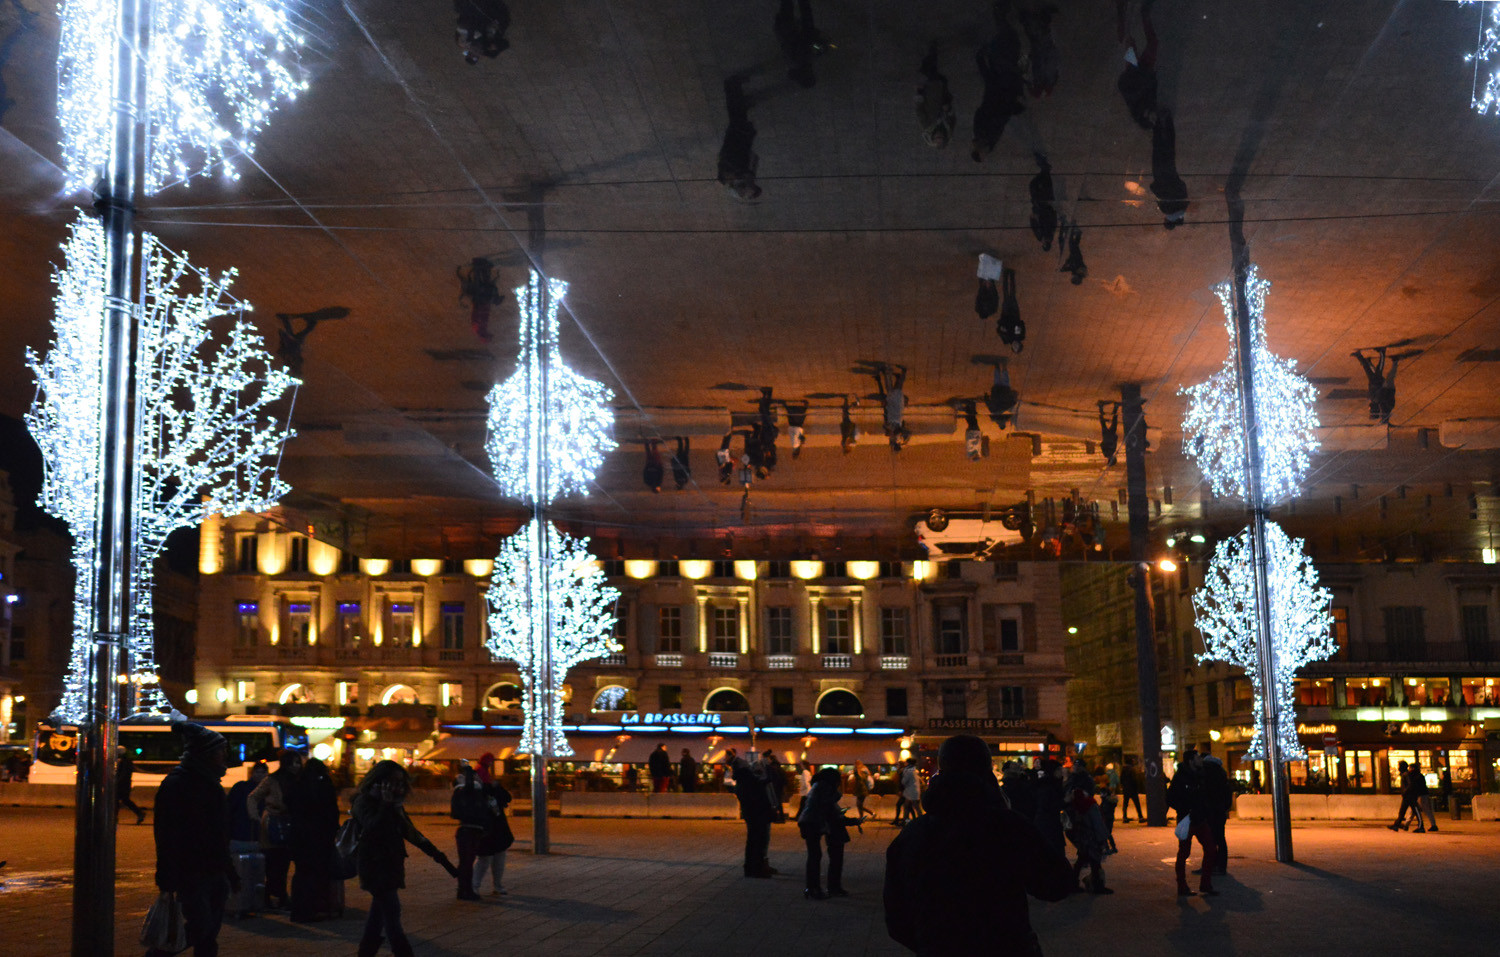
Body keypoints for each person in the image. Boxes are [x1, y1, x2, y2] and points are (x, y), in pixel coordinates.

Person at [884, 735, 1073, 956]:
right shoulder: (1007, 826)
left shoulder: (912, 835)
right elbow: (1057, 883)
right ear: (986, 769)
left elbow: (897, 919)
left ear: (942, 767)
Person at [146, 720, 239, 957]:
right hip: (191, 870)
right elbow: (166, 834)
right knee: (200, 926)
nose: (223, 756)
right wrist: (166, 874)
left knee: (209, 933)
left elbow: (220, 834)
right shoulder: (178, 784)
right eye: (220, 751)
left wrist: (228, 870)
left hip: (214, 869)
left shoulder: (211, 783)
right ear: (205, 753)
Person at [352, 761, 459, 957]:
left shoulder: (394, 806)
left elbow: (412, 834)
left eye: (401, 783)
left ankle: (365, 953)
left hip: (391, 867)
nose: (398, 787)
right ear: (380, 781)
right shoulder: (364, 802)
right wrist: (385, 805)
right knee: (392, 916)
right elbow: (372, 827)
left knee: (377, 917)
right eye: (393, 782)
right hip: (374, 868)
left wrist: (442, 860)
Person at [250, 747, 305, 910]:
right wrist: (256, 817)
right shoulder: (272, 780)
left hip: (289, 824)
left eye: (298, 763)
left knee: (284, 862)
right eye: (292, 763)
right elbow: (253, 797)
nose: (296, 766)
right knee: (271, 862)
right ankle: (271, 895)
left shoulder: (299, 780)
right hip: (272, 824)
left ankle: (279, 895)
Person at [286, 757, 340, 922]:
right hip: (320, 837)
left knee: (301, 873)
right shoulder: (325, 786)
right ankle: (314, 908)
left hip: (299, 837)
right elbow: (331, 812)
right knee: (317, 874)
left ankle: (298, 911)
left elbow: (289, 805)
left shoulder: (297, 785)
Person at [1166, 749, 1218, 897]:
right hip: (1186, 820)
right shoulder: (1180, 777)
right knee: (1184, 853)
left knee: (1211, 849)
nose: (1200, 760)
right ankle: (1182, 886)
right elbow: (1170, 798)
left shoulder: (1201, 775)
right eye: (1197, 757)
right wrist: (1185, 808)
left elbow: (1204, 796)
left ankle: (1206, 884)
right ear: (1191, 761)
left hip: (1200, 819)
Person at [800, 766, 858, 898]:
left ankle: (813, 888)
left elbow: (829, 808)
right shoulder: (824, 788)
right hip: (812, 822)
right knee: (815, 856)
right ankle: (814, 889)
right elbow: (829, 808)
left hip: (809, 821)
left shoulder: (818, 786)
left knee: (814, 856)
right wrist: (847, 820)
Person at [726, 747, 776, 877]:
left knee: (753, 841)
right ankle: (756, 868)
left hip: (751, 815)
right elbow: (764, 782)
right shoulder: (749, 783)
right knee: (757, 841)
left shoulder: (742, 784)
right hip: (757, 816)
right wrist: (767, 767)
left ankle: (752, 867)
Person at [1064, 762, 1112, 893]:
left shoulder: (1073, 803)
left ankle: (1074, 884)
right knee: (1093, 858)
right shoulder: (1088, 803)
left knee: (1084, 858)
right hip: (1089, 834)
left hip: (1080, 833)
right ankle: (1095, 885)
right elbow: (1097, 823)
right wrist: (1104, 838)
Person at [472, 753, 514, 895]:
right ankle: (489, 885)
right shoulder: (486, 789)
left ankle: (478, 886)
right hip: (493, 828)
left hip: (490, 828)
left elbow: (507, 798)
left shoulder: (483, 789)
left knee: (489, 858)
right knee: (490, 858)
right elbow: (507, 798)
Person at [451, 761, 490, 900]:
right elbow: (469, 787)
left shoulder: (471, 792)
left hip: (470, 830)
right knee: (467, 862)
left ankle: (464, 890)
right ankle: (465, 890)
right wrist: (468, 770)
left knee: (467, 862)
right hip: (469, 830)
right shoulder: (464, 791)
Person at [718, 77, 761, 201]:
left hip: (735, 140)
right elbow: (753, 157)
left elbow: (728, 158)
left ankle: (732, 87)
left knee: (736, 114)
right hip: (740, 139)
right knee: (738, 115)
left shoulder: (727, 177)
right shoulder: (746, 175)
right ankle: (734, 90)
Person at [1150, 108, 1188, 228]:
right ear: (1166, 221)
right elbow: (1159, 193)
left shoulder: (1184, 206)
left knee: (1170, 147)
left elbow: (1183, 187)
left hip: (1172, 173)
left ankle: (1168, 120)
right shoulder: (1165, 209)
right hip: (1160, 176)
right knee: (1158, 148)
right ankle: (1157, 122)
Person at [915, 41, 956, 148]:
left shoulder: (927, 126)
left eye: (937, 138)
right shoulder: (948, 128)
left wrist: (919, 93)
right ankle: (927, 63)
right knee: (940, 79)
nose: (939, 136)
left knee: (934, 77)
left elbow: (919, 110)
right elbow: (953, 118)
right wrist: (948, 110)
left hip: (931, 96)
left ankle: (932, 52)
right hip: (943, 97)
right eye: (941, 138)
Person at [871, 362, 909, 451]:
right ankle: (903, 371)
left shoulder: (893, 431)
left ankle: (889, 372)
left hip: (892, 406)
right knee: (897, 388)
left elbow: (887, 422)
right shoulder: (897, 433)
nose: (891, 439)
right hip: (896, 406)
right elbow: (900, 429)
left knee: (892, 388)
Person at [983, 360, 1019, 430]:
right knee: (997, 379)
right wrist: (986, 396)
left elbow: (1013, 402)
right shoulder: (993, 411)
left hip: (1005, 390)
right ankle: (997, 367)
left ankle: (1004, 366)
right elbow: (988, 403)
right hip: (996, 391)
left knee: (1005, 379)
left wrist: (1015, 395)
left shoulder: (1006, 410)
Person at [117, 745, 146, 825]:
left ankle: (139, 813)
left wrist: (117, 781)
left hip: (122, 785)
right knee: (124, 800)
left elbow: (123, 774)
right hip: (124, 784)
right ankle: (139, 813)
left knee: (120, 800)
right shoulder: (126, 761)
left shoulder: (124, 762)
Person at [898, 757, 922, 823]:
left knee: (914, 807)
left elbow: (903, 781)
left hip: (911, 792)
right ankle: (906, 820)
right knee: (909, 806)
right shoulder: (915, 771)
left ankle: (920, 820)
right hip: (914, 791)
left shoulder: (908, 772)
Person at [1120, 756, 1143, 822]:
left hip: (1126, 789)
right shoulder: (1132, 769)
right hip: (1133, 789)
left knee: (1125, 804)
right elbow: (1134, 779)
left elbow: (1121, 779)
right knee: (1137, 803)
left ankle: (1124, 817)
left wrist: (1123, 786)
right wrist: (1137, 787)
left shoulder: (1123, 769)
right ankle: (1140, 817)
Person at [1098, 401, 1120, 465]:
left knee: (1114, 423)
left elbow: (1114, 443)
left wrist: (1113, 439)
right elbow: (1102, 445)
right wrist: (1104, 441)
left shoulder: (1110, 452)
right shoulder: (1106, 454)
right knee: (1103, 423)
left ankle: (1115, 408)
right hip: (1106, 436)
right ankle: (1101, 407)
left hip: (1110, 436)